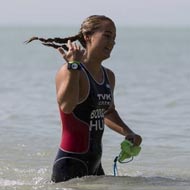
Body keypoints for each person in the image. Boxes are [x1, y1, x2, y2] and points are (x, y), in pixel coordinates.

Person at [26, 15, 142, 183]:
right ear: (88, 37)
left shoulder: (108, 75)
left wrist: (128, 133)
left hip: (95, 165)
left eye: (114, 38)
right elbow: (66, 106)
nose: (112, 43)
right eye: (107, 36)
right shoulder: (69, 70)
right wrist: (73, 66)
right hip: (70, 163)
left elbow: (107, 112)